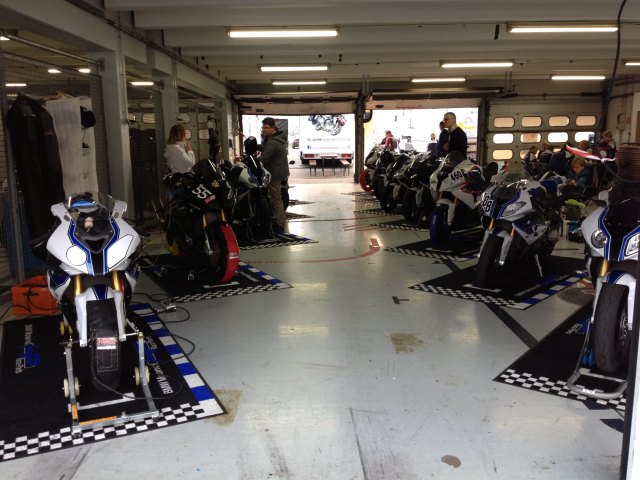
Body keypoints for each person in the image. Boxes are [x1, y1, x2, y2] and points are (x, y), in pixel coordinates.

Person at [260, 117, 290, 234]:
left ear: (273, 128)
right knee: (277, 198)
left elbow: (264, 158)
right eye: (263, 127)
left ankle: (279, 225)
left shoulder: (273, 142)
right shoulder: (277, 138)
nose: (264, 130)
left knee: (276, 200)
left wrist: (255, 160)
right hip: (280, 172)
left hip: (274, 174)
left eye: (266, 128)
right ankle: (279, 221)